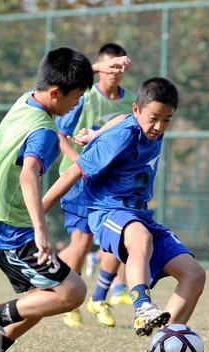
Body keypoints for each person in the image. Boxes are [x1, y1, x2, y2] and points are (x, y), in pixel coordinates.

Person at [0, 46, 131, 352]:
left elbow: (57, 77)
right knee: (71, 292)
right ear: (56, 93)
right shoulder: (44, 131)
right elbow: (29, 174)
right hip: (8, 225)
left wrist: (97, 67)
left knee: (42, 299)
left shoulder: (26, 100)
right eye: (75, 98)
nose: (76, 105)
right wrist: (41, 230)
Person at [42, 77, 206, 352]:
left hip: (139, 212)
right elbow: (71, 173)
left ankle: (158, 349)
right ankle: (142, 306)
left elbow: (120, 116)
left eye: (167, 120)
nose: (159, 126)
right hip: (106, 211)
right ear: (138, 110)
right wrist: (37, 213)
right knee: (139, 238)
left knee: (194, 275)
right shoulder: (122, 136)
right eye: (154, 118)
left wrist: (94, 133)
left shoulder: (147, 128)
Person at [56, 43, 135, 328]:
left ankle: (101, 296)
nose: (114, 73)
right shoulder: (85, 96)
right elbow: (62, 134)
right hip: (79, 179)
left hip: (112, 182)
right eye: (109, 66)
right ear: (100, 67)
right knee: (82, 242)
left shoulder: (132, 102)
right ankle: (67, 301)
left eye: (119, 67)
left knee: (120, 237)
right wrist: (81, 163)